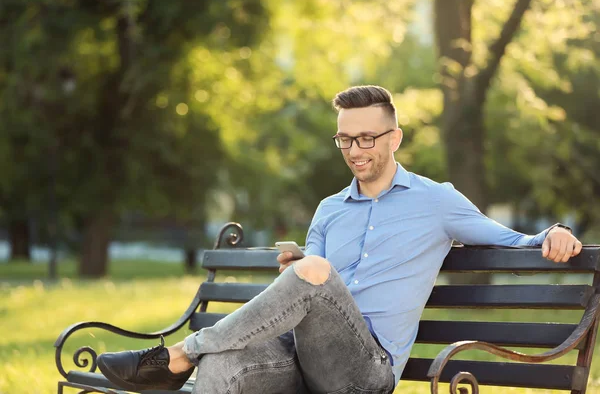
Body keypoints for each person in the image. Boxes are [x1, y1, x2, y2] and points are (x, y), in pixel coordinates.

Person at [97, 85, 582, 394]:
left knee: (313, 273)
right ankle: (195, 363)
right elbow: (314, 284)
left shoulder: (437, 201)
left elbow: (511, 239)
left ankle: (180, 355)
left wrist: (554, 232)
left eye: (367, 138)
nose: (355, 150)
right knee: (228, 363)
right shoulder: (330, 209)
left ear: (395, 138)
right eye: (345, 140)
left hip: (364, 372)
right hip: (300, 359)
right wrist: (300, 272)